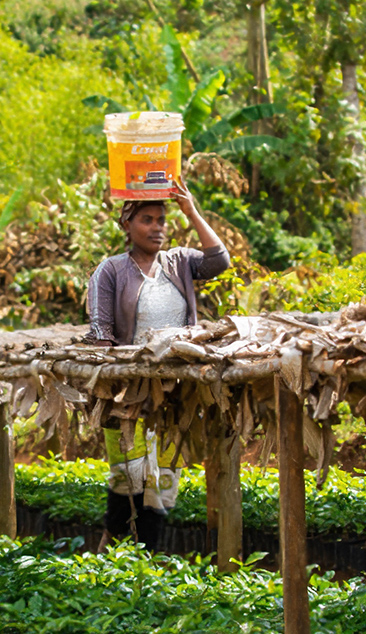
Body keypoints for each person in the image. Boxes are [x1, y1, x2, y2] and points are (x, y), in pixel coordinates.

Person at [86, 178, 230, 550]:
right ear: (127, 226)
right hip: (127, 392)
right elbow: (102, 334)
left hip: (174, 392)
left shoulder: (179, 261)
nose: (157, 228)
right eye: (147, 220)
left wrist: (190, 210)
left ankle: (148, 557)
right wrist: (116, 385)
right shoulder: (111, 271)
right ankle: (114, 545)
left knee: (164, 476)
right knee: (128, 475)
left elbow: (219, 261)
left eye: (161, 220)